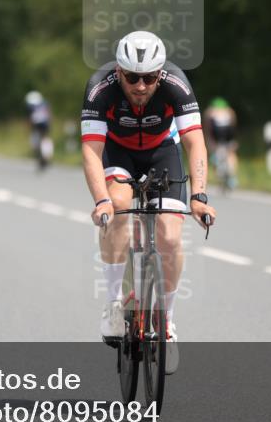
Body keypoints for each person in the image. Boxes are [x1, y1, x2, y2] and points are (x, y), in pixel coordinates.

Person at [80, 31, 216, 375]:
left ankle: (166, 323)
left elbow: (195, 143)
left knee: (170, 235)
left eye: (149, 78)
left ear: (160, 73)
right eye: (132, 77)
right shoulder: (101, 87)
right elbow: (91, 152)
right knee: (119, 206)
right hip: (118, 152)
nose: (141, 86)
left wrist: (198, 197)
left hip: (161, 152)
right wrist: (101, 202)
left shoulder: (176, 83)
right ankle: (114, 303)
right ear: (119, 72)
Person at [204, 97, 239, 190]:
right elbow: (233, 123)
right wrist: (233, 141)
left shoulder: (210, 111)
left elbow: (208, 128)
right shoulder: (229, 110)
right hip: (229, 131)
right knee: (231, 152)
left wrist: (209, 142)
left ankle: (217, 166)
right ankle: (233, 176)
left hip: (216, 132)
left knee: (214, 152)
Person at [25, 90, 53, 170]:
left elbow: (30, 118)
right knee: (45, 139)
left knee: (38, 141)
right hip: (45, 125)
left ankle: (42, 156)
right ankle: (46, 156)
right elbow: (49, 114)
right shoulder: (45, 103)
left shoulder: (31, 106)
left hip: (37, 126)